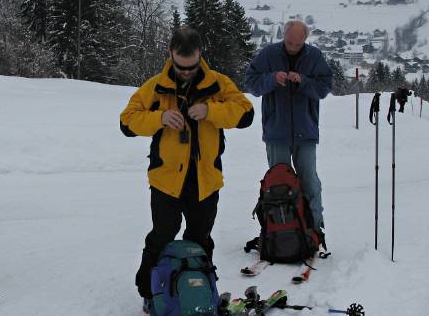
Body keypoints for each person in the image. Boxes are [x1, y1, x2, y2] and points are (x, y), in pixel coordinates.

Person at [120, 27, 254, 301]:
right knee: (162, 236)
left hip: (206, 180)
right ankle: (149, 292)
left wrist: (211, 111)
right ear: (171, 55)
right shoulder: (156, 86)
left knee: (200, 239)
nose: (185, 72)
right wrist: (159, 118)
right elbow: (127, 122)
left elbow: (246, 113)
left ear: (200, 56)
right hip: (166, 180)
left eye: (191, 67)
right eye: (181, 67)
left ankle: (201, 291)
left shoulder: (218, 84)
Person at [244, 20, 332, 242]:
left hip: (306, 131)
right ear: (284, 36)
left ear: (305, 39)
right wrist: (272, 79)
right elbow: (252, 84)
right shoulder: (268, 54)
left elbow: (324, 88)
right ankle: (280, 229)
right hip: (276, 132)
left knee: (310, 181)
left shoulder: (314, 57)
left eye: (297, 43)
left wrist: (303, 81)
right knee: (278, 184)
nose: (293, 46)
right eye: (289, 42)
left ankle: (313, 229)